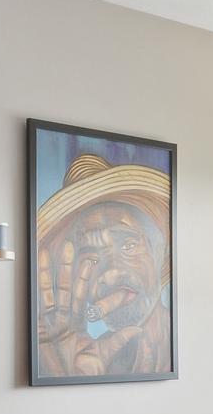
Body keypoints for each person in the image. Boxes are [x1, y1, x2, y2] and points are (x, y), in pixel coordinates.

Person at [35, 153, 172, 377]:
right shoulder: (94, 359)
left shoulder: (201, 343)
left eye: (128, 246)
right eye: (92, 259)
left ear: (160, 251)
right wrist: (64, 372)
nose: (109, 272)